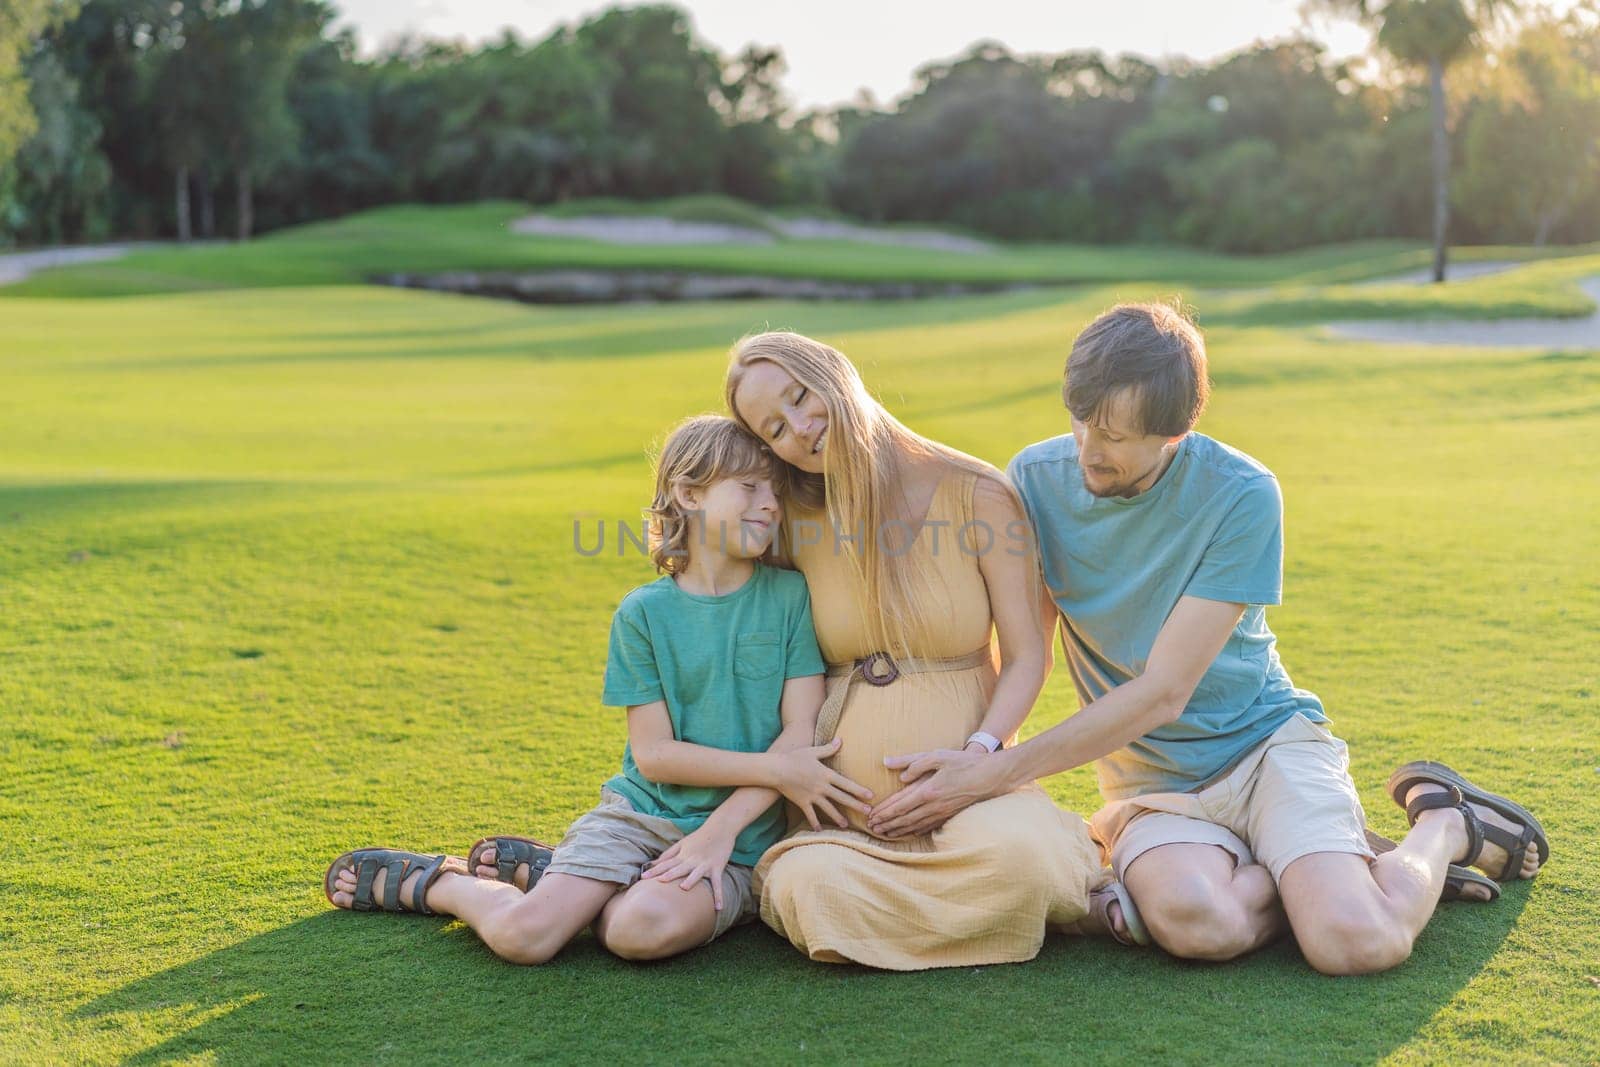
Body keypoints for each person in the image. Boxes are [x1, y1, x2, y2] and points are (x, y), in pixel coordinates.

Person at [864, 302, 1549, 975]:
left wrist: (996, 775)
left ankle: (1442, 822)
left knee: (1353, 940)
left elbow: (1165, 691)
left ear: (1175, 433)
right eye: (1080, 420)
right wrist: (980, 752)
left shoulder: (1243, 494)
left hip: (1265, 748)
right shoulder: (1034, 482)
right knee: (1198, 925)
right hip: (1152, 784)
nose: (1088, 450)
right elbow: (1028, 653)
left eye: (1116, 435)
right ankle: (1319, 864)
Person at [322, 415, 873, 963]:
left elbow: (800, 730)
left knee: (636, 933)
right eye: (750, 487)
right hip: (638, 817)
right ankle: (442, 881)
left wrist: (719, 832)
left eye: (775, 490)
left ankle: (565, 877)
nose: (772, 503)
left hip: (740, 842)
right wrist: (776, 770)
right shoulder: (643, 614)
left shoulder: (789, 596)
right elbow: (655, 757)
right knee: (524, 940)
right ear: (689, 494)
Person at [726, 331, 1133, 972]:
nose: (800, 429)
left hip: (977, 800)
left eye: (802, 398)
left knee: (1022, 858)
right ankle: (1018, 914)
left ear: (835, 373)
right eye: (774, 429)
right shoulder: (794, 521)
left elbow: (1029, 656)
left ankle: (954, 910)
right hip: (845, 823)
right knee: (813, 888)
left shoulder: (977, 492)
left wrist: (977, 759)